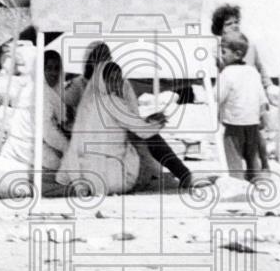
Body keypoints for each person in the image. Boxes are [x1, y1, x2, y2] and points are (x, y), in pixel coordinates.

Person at [63, 41, 202, 190]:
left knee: (151, 136)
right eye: (97, 58)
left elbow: (132, 114)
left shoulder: (121, 84)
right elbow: (61, 110)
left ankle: (183, 174)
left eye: (105, 57)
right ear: (89, 61)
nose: (101, 63)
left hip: (117, 135)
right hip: (87, 138)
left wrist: (148, 123)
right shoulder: (78, 85)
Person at [58, 61, 164, 195]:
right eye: (112, 80)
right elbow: (143, 131)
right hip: (110, 176)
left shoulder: (88, 105)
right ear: (103, 81)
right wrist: (158, 122)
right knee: (143, 156)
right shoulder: (113, 101)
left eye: (118, 80)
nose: (116, 84)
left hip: (85, 173)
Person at [211, 4, 271, 169]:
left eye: (236, 22)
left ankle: (263, 167)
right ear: (220, 29)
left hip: (252, 98)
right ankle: (244, 172)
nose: (234, 25)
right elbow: (220, 79)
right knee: (235, 139)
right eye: (229, 24)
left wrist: (268, 87)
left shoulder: (248, 46)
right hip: (233, 100)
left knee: (257, 140)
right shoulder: (220, 51)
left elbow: (260, 68)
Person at [217, 32, 269, 181]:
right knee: (252, 153)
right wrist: (261, 113)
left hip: (234, 124)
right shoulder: (252, 72)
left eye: (224, 52)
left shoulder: (226, 73)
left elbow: (218, 96)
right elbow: (261, 96)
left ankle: (236, 180)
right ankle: (257, 179)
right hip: (252, 122)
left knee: (233, 153)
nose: (222, 56)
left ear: (237, 54)